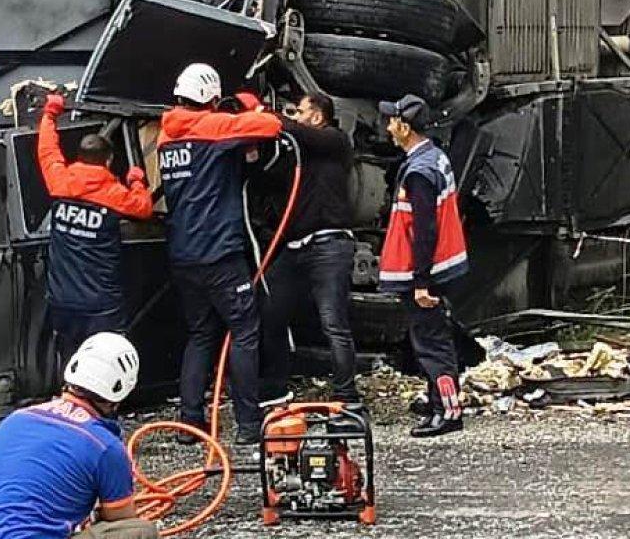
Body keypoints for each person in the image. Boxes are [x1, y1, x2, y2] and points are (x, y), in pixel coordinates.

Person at [158, 63, 282, 445]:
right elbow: (271, 127)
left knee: (200, 334)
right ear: (210, 99)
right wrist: (247, 108)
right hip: (220, 252)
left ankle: (190, 422)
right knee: (244, 331)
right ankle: (247, 423)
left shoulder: (166, 136)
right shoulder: (212, 128)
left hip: (183, 254)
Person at [0, 333, 159, 539]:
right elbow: (120, 520)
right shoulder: (104, 446)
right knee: (140, 531)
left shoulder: (18, 419)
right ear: (120, 394)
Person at [377, 94, 470, 438]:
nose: (388, 128)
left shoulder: (419, 172)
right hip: (441, 266)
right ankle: (438, 400)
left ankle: (448, 411)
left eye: (392, 121)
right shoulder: (434, 157)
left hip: (427, 272)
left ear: (404, 125)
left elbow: (424, 232)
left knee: (432, 343)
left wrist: (420, 281)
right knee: (431, 337)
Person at [260, 92, 361, 407]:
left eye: (300, 111)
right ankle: (275, 389)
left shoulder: (335, 141)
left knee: (333, 321)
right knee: (269, 312)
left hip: (329, 244)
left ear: (318, 116)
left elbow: (297, 131)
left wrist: (265, 114)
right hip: (295, 247)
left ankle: (346, 394)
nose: (296, 117)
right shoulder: (296, 154)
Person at [39, 93, 154, 366]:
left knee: (70, 365)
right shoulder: (113, 194)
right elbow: (144, 208)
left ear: (79, 157)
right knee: (104, 367)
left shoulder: (60, 181)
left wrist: (49, 115)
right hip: (101, 305)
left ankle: (72, 407)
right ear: (108, 161)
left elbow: (47, 151)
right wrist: (137, 180)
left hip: (62, 299)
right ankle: (102, 410)